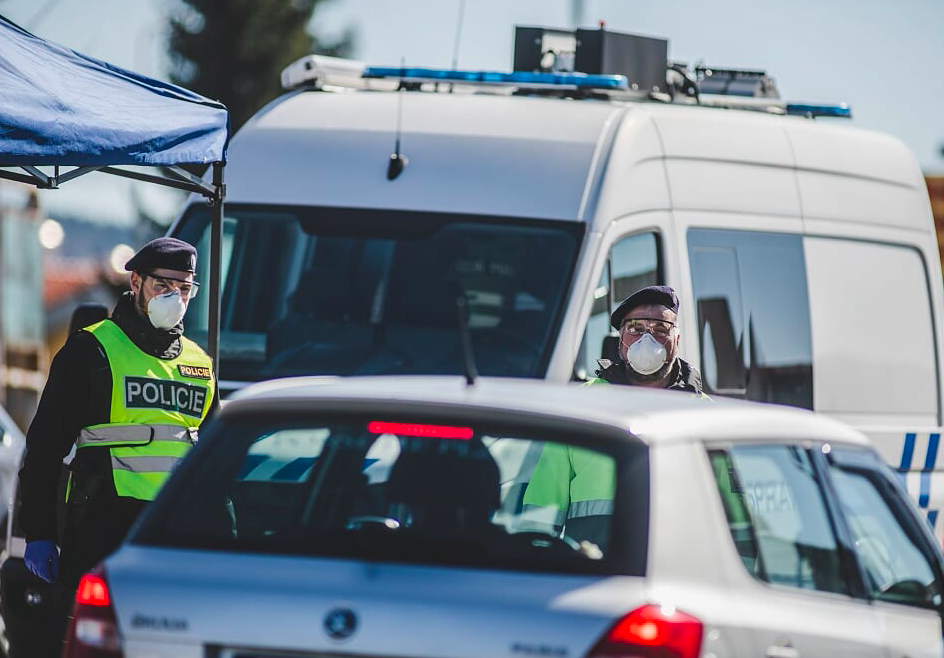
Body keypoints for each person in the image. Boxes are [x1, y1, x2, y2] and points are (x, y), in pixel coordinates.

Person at [17, 237, 217, 592]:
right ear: (136, 282)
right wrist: (40, 531)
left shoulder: (200, 365)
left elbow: (216, 462)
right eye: (163, 286)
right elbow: (45, 448)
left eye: (184, 289)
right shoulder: (91, 350)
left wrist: (226, 533)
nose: (174, 298)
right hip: (104, 528)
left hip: (176, 534)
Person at [521, 286, 706, 548]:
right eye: (635, 328)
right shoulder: (580, 407)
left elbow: (735, 520)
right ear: (620, 340)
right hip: (593, 569)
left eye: (660, 329)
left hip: (680, 571)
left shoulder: (706, 415)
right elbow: (542, 506)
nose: (647, 339)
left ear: (677, 339)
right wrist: (534, 559)